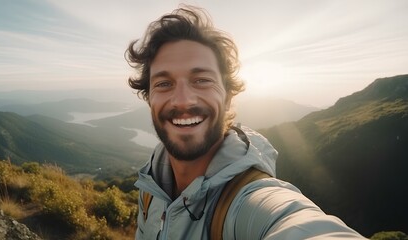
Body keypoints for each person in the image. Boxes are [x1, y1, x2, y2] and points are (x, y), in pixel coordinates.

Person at [126, 5, 366, 240]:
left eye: (201, 80)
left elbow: (296, 224)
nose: (183, 100)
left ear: (228, 96)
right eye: (163, 83)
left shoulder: (248, 202)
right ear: (150, 98)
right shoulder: (152, 186)